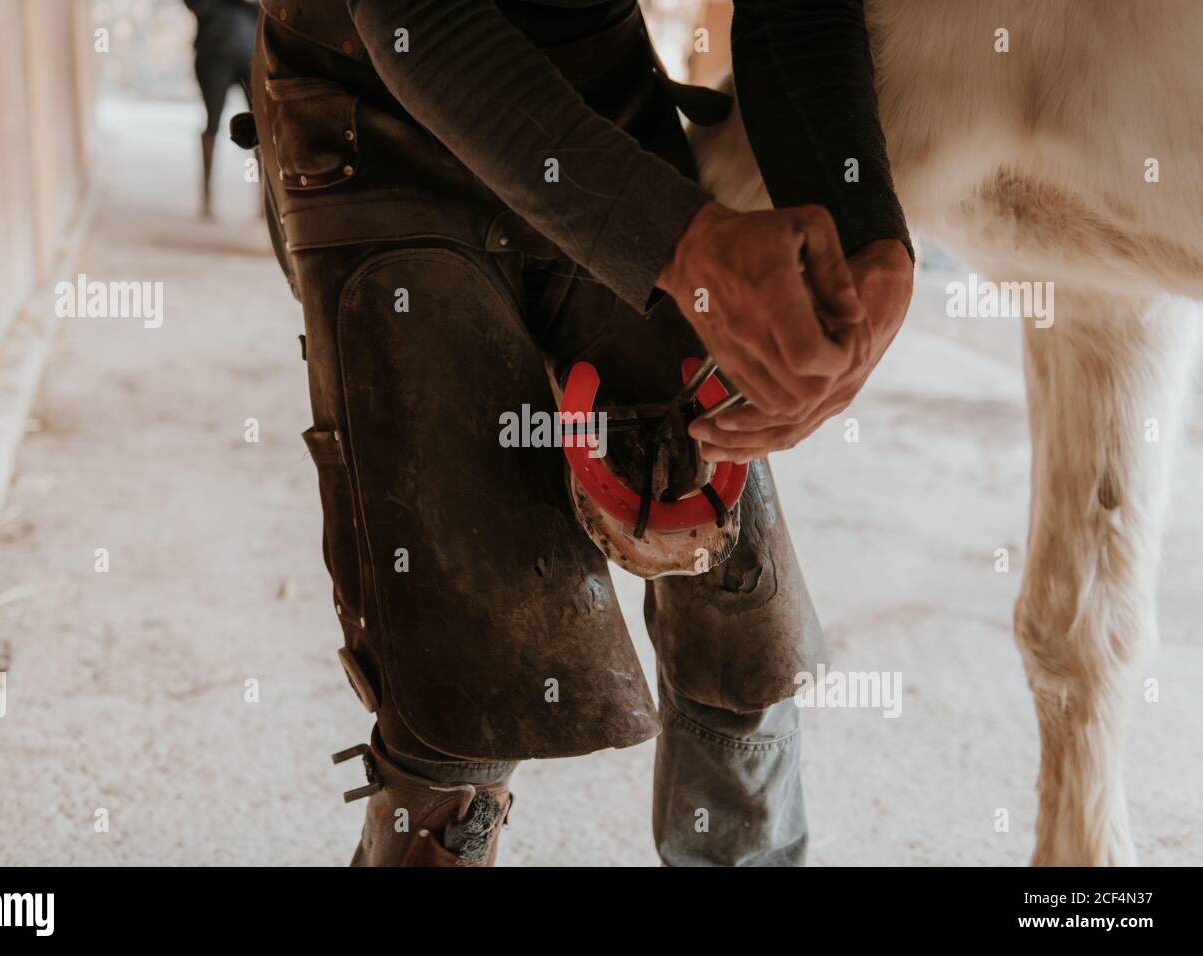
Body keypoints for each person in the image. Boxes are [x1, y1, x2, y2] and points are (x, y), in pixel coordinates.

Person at [247, 0, 913, 866]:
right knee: (460, 691)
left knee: (739, 624)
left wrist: (869, 231)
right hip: (374, 117)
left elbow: (798, 13)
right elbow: (420, 20)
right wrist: (685, 243)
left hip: (601, 102)